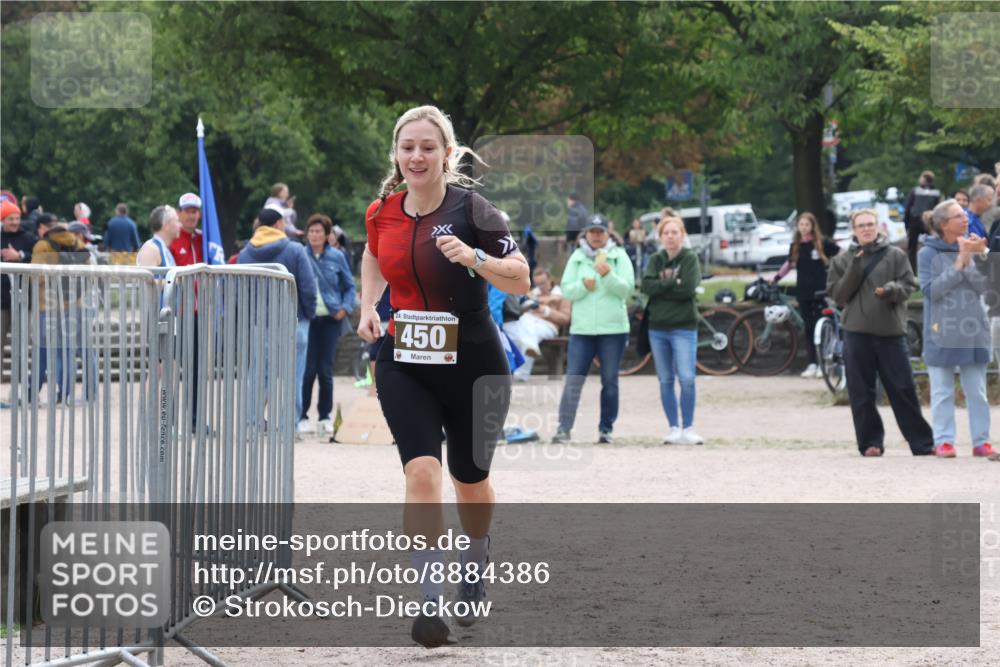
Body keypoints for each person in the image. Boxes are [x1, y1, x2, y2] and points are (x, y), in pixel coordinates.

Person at [357, 105, 529, 647]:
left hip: (476, 364)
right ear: (396, 153)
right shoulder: (381, 211)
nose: (416, 156)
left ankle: (474, 558)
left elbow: (521, 279)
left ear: (447, 154)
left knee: (469, 480)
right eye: (408, 147)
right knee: (422, 474)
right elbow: (371, 255)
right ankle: (429, 603)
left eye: (428, 147)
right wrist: (369, 306)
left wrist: (475, 257)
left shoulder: (475, 210)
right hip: (404, 360)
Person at [826, 208, 934, 457]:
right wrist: (855, 265)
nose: (866, 228)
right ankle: (870, 443)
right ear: (854, 230)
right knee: (861, 392)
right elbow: (839, 295)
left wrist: (891, 290)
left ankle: (922, 443)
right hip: (856, 333)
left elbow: (910, 285)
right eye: (861, 225)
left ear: (879, 227)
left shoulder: (895, 255)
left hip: (890, 334)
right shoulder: (842, 261)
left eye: (870, 224)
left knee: (903, 389)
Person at [918, 200, 993, 458]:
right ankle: (944, 440)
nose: (965, 219)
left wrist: (972, 258)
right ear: (944, 224)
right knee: (941, 391)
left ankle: (981, 441)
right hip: (942, 331)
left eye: (964, 215)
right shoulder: (926, 253)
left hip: (973, 330)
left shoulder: (973, 247)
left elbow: (986, 288)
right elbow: (931, 291)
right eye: (959, 216)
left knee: (978, 392)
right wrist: (958, 264)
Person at [551, 214, 635, 445]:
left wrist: (608, 275)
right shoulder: (577, 258)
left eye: (600, 231)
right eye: (592, 232)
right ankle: (563, 428)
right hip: (582, 330)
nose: (596, 236)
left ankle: (606, 429)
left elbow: (627, 290)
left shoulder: (620, 256)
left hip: (613, 329)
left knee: (609, 381)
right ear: (586, 234)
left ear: (608, 233)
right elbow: (567, 290)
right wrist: (583, 285)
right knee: (573, 380)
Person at [239, 207, 318, 424]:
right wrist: (308, 313)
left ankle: (253, 420)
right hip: (294, 319)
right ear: (278, 225)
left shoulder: (246, 254)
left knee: (259, 373)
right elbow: (309, 287)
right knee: (294, 374)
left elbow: (240, 290)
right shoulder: (295, 250)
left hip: (260, 322)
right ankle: (289, 423)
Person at [642, 215, 703, 445]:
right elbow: (647, 286)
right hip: (657, 328)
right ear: (660, 236)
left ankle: (688, 426)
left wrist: (663, 286)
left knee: (687, 378)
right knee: (665, 379)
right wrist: (672, 282)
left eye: (674, 232)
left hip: (683, 327)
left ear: (682, 235)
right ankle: (673, 427)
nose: (670, 236)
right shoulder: (656, 260)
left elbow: (687, 288)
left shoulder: (689, 259)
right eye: (666, 232)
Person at [299, 214, 357, 436]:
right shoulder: (300, 254)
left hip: (331, 318)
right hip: (308, 318)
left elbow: (350, 286)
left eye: (319, 232)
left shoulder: (337, 256)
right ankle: (301, 415)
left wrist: (345, 308)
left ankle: (324, 416)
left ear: (327, 235)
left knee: (325, 369)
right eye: (311, 231)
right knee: (307, 369)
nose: (314, 235)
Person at [30, 220, 96, 403]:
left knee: (59, 352)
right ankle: (91, 394)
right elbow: (89, 272)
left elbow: (35, 276)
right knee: (83, 350)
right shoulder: (77, 242)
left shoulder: (42, 245)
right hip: (77, 304)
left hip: (49, 306)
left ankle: (64, 393)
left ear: (47, 228)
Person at [771, 212, 840, 378]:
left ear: (812, 226)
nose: (803, 228)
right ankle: (812, 363)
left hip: (821, 291)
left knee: (823, 326)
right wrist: (776, 278)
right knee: (808, 328)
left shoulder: (822, 243)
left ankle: (825, 362)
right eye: (801, 225)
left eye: (806, 225)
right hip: (804, 291)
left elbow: (841, 254)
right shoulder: (796, 245)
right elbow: (789, 264)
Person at [503, 267, 571, 381]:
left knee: (525, 333)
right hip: (526, 322)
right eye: (537, 284)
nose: (540, 287)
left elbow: (565, 318)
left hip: (548, 326)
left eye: (543, 283)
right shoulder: (531, 294)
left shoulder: (563, 295)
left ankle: (520, 374)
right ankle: (523, 365)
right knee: (510, 328)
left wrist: (546, 311)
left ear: (550, 280)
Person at [1, 200, 36, 407]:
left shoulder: (29, 237)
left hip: (24, 299)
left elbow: (39, 257)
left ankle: (24, 392)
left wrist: (19, 256)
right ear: (3, 220)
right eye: (10, 219)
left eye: (16, 218)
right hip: (1, 300)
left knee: (24, 346)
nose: (14, 222)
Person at [903, 170, 941, 273]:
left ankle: (912, 271)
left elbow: (908, 209)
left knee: (912, 249)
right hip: (928, 223)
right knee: (932, 246)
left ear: (924, 179)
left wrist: (906, 226)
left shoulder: (915, 191)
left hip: (914, 222)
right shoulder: (936, 193)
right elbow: (937, 210)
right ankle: (931, 269)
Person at [170, 193, 204, 266]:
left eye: (194, 212)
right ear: (178, 213)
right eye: (187, 212)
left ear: (200, 214)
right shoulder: (170, 238)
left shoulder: (204, 238)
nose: (191, 216)